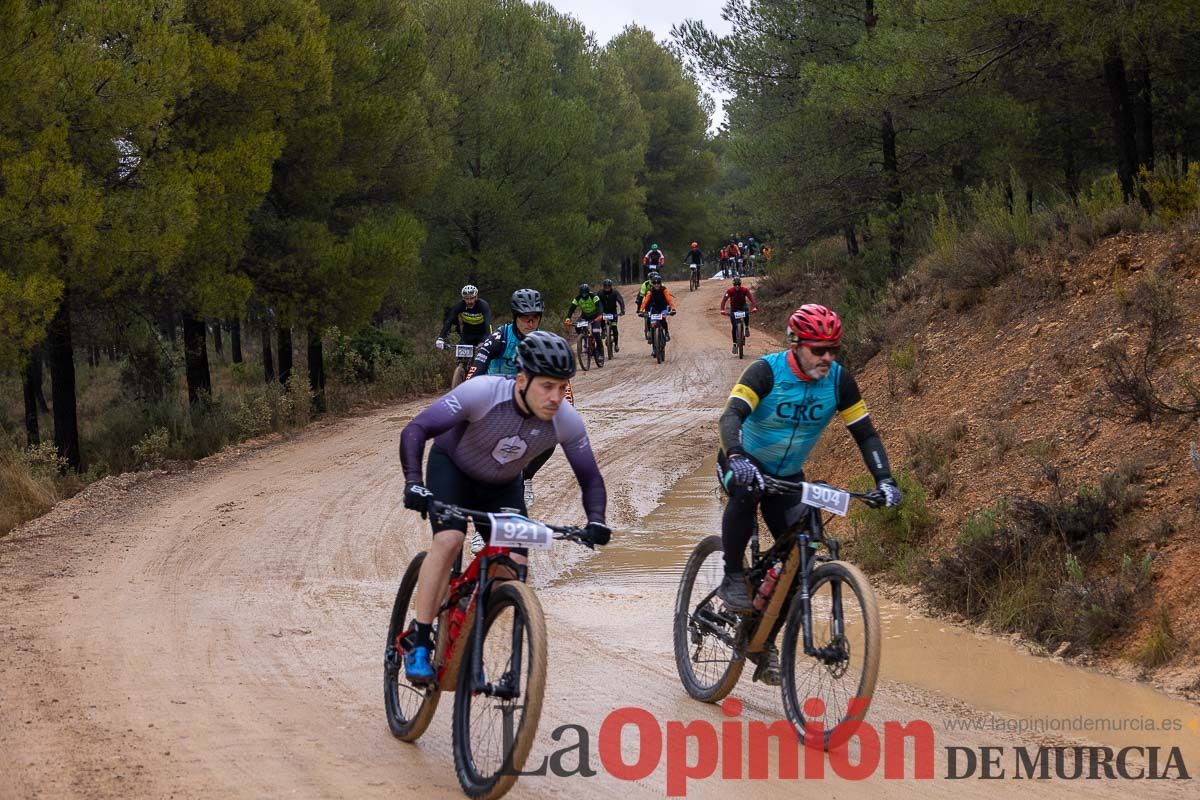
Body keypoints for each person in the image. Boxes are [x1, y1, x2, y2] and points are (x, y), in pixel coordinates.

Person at [399, 332, 611, 683]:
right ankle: (419, 640)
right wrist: (413, 482)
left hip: (501, 487)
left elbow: (589, 477)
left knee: (514, 564)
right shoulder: (482, 392)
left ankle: (470, 630)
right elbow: (417, 429)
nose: (556, 397)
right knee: (450, 539)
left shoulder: (566, 420)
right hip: (453, 470)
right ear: (522, 380)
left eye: (562, 388)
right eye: (547, 386)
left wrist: (596, 521)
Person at [714, 304, 902, 621]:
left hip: (788, 476)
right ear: (796, 344)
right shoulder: (766, 372)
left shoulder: (840, 382)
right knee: (746, 492)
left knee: (802, 556)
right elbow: (730, 416)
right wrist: (735, 454)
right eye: (818, 350)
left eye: (833, 350)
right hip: (742, 462)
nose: (827, 357)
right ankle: (732, 575)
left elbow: (866, 435)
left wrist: (884, 480)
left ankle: (764, 641)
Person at [467, 289, 574, 522]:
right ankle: (481, 528)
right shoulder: (499, 339)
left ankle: (526, 477)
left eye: (535, 316)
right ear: (515, 316)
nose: (530, 321)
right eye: (525, 317)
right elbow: (474, 372)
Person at [436, 285, 492, 350]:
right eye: (466, 298)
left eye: (471, 298)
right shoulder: (460, 305)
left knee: (484, 356)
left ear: (476, 297)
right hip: (468, 334)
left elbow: (488, 323)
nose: (469, 301)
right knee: (462, 358)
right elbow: (449, 320)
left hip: (483, 334)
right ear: (463, 298)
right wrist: (441, 338)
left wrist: (489, 338)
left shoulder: (483, 305)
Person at [564, 283, 605, 358]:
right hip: (585, 316)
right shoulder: (577, 298)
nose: (584, 295)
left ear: (588, 292)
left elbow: (599, 305)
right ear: (580, 293)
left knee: (595, 332)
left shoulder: (593, 296)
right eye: (582, 294)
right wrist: (568, 318)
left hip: (595, 316)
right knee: (577, 326)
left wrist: (600, 315)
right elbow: (571, 309)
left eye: (585, 293)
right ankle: (584, 337)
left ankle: (600, 352)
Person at [719, 276, 758, 353]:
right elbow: (724, 300)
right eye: (736, 285)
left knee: (746, 312)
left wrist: (754, 307)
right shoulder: (730, 291)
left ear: (740, 284)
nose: (737, 286)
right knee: (734, 326)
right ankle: (734, 344)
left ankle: (746, 327)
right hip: (734, 308)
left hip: (742, 306)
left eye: (738, 284)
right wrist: (722, 310)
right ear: (733, 285)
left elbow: (751, 298)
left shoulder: (745, 290)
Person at [638, 273, 676, 344]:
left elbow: (669, 299)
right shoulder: (650, 291)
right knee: (652, 326)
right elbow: (645, 301)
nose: (656, 285)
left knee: (663, 320)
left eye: (658, 283)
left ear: (660, 283)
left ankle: (667, 333)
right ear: (652, 284)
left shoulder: (664, 290)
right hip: (654, 308)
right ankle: (653, 347)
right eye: (654, 283)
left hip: (663, 307)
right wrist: (641, 310)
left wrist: (673, 308)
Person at [598, 279, 626, 353]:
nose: (607, 289)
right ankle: (603, 330)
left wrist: (622, 310)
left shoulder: (615, 293)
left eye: (608, 287)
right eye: (605, 287)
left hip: (613, 311)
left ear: (611, 286)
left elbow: (620, 300)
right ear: (603, 287)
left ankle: (616, 345)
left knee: (614, 328)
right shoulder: (600, 293)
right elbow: (597, 303)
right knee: (601, 319)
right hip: (603, 311)